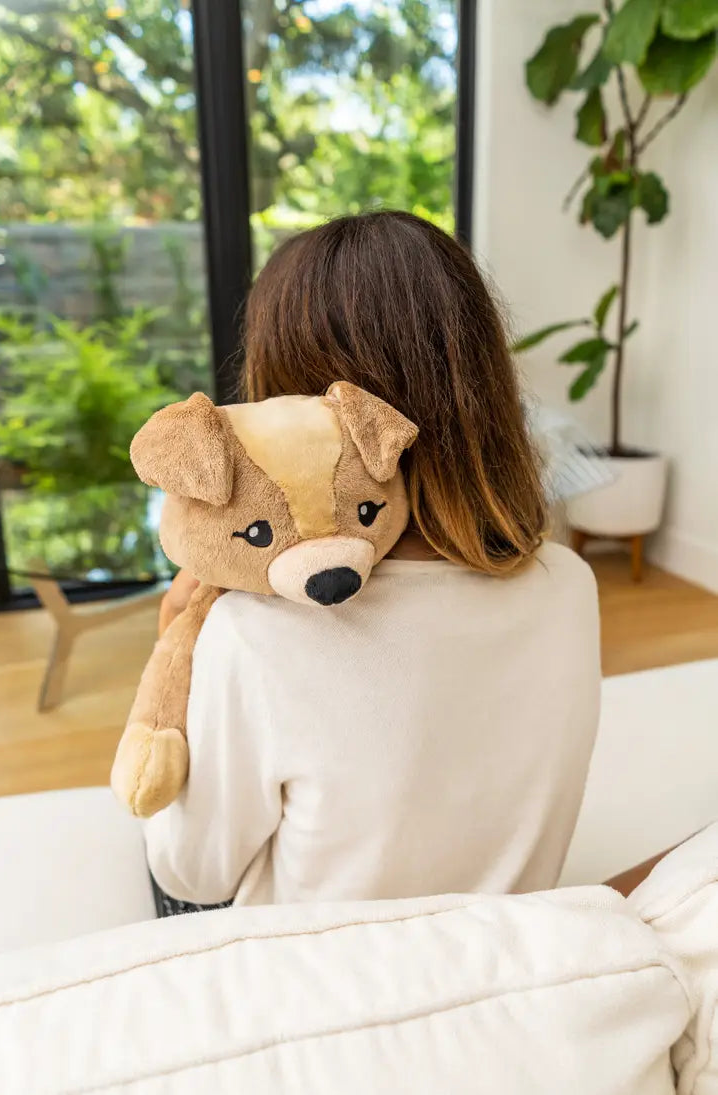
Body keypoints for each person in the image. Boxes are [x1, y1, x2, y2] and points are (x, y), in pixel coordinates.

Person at [145, 210, 602, 914]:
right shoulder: (570, 584)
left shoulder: (253, 634)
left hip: (325, 990)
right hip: (503, 954)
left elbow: (191, 874)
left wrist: (177, 654)